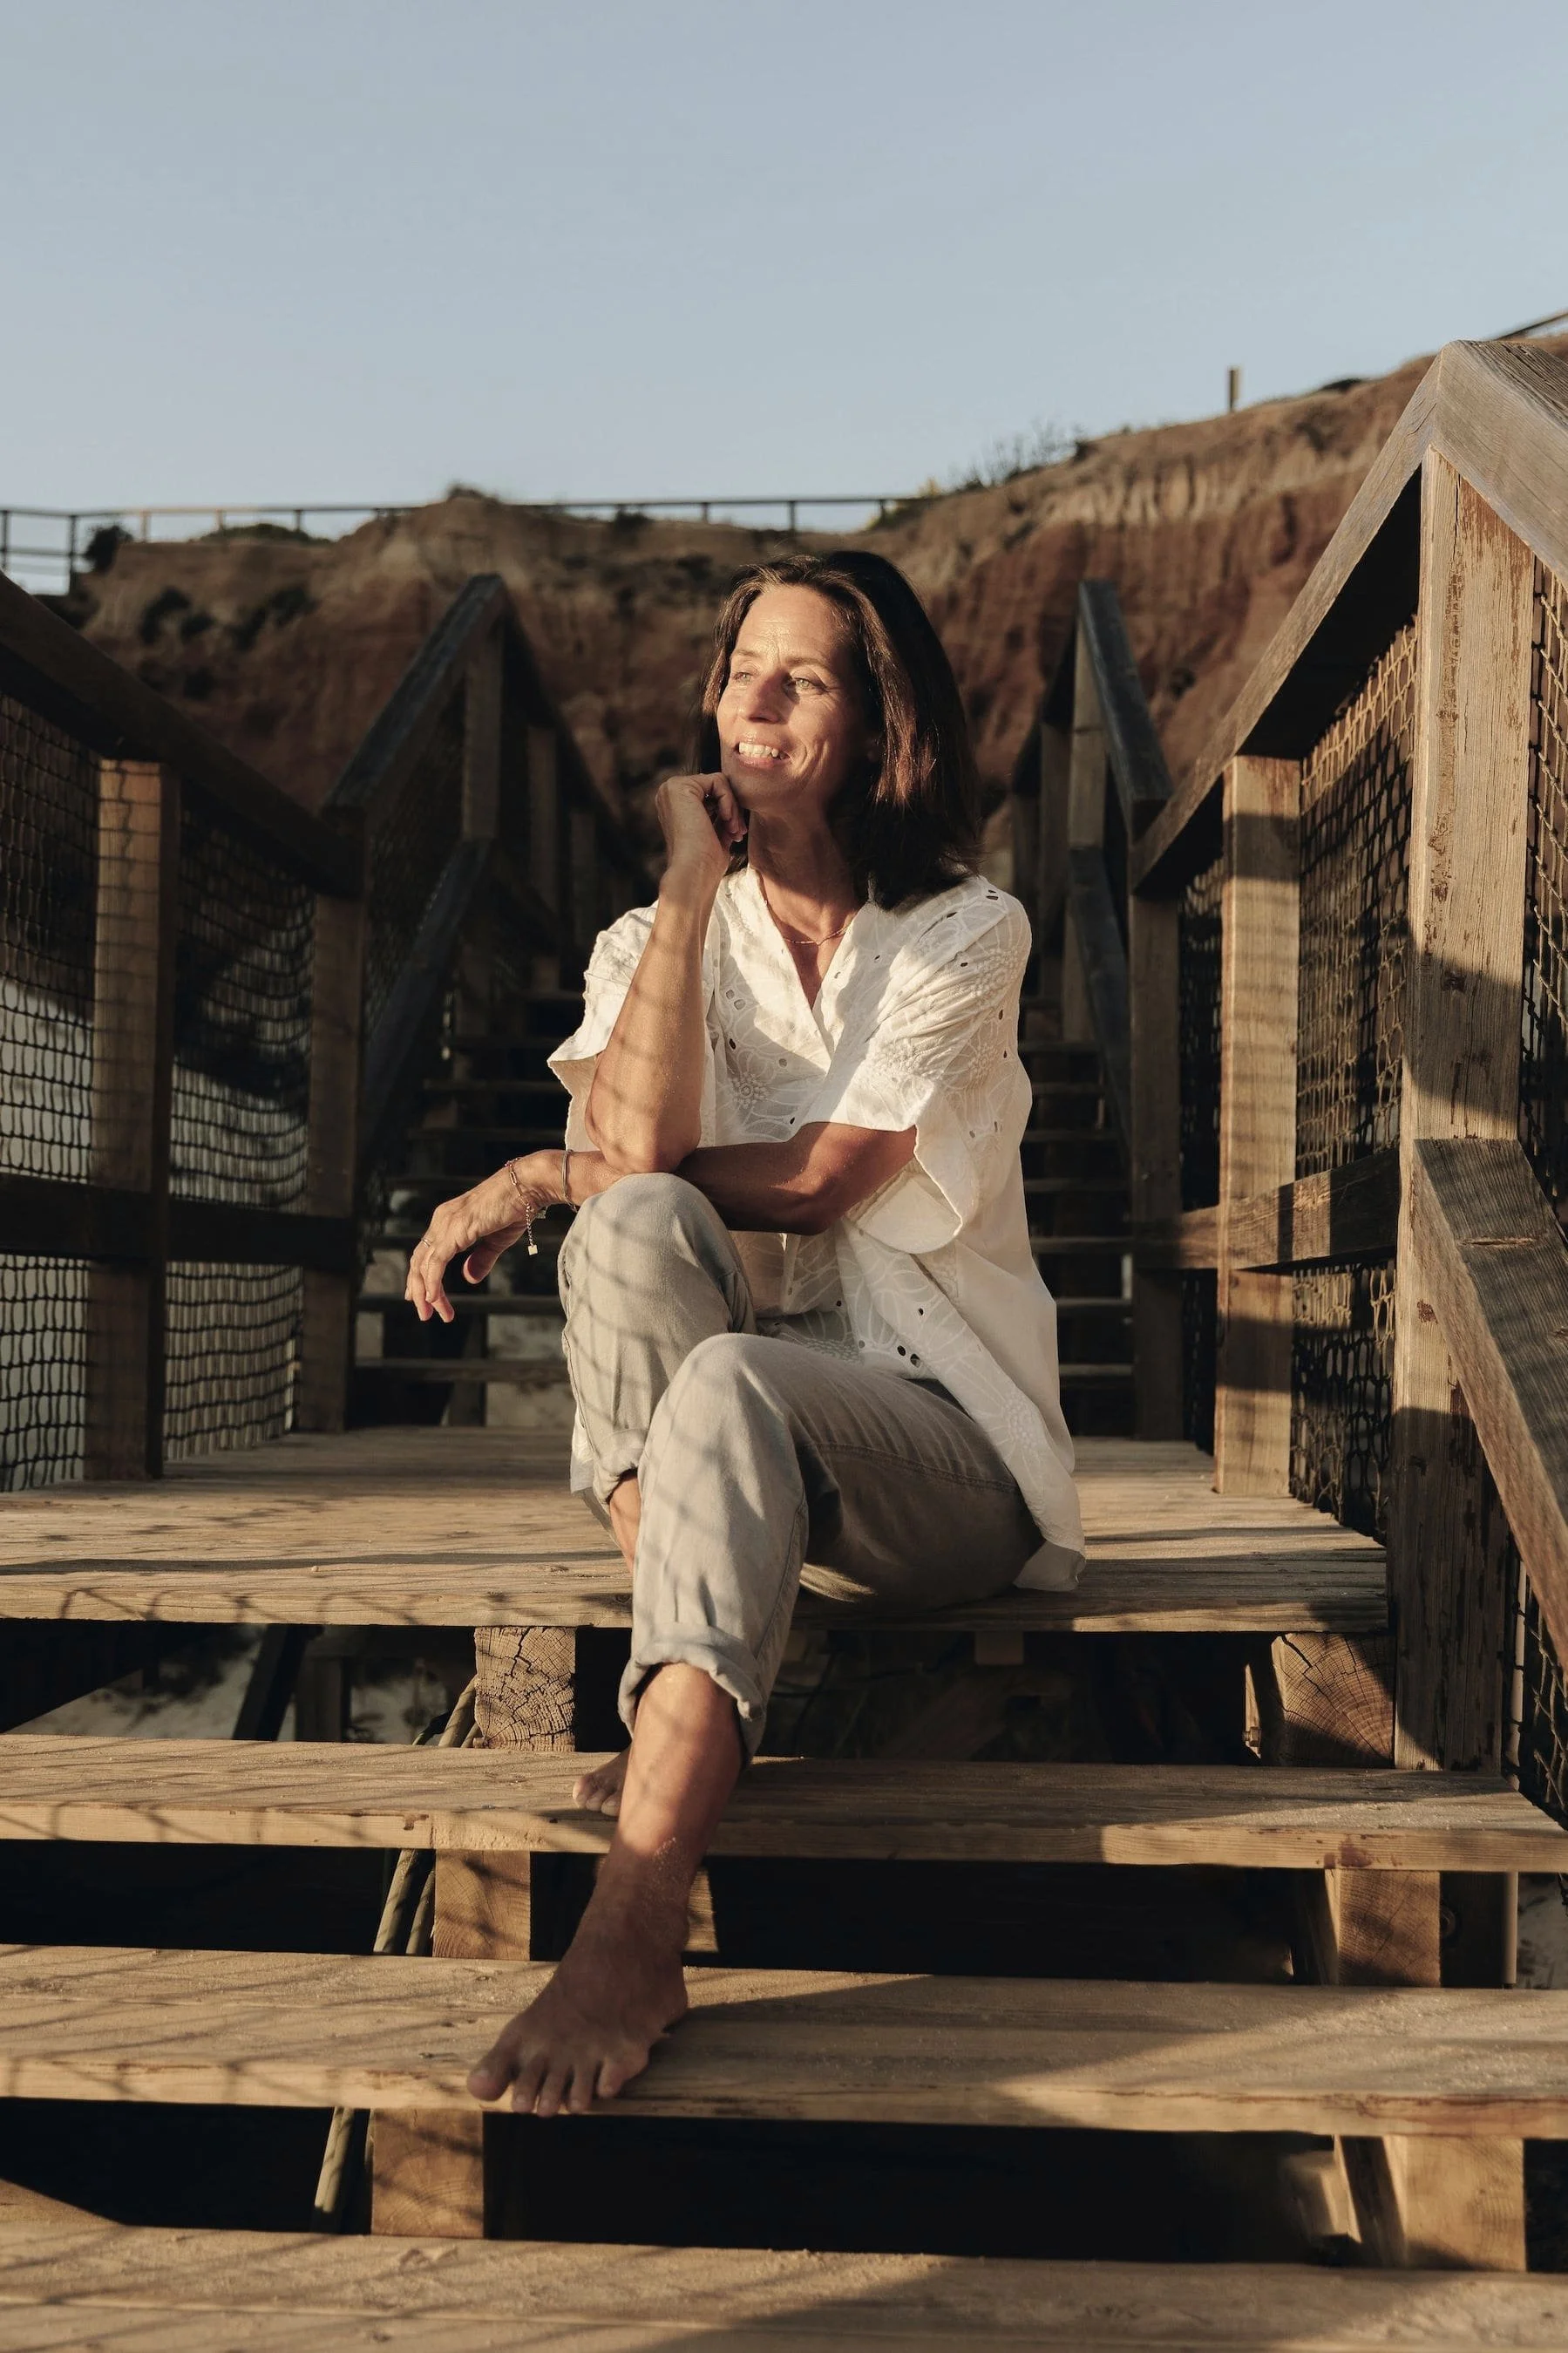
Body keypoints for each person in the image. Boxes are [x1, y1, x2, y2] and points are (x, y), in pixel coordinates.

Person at [404, 549, 1084, 2119]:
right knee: (633, 1227)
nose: (755, 703)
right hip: (728, 1448)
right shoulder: (646, 939)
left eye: (805, 677)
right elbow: (641, 1164)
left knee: (678, 1300)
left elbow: (824, 1178)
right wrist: (687, 890)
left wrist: (535, 1173)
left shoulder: (964, 929)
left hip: (941, 1456)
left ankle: (632, 1924)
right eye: (739, 673)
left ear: (877, 722)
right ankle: (684, 1698)